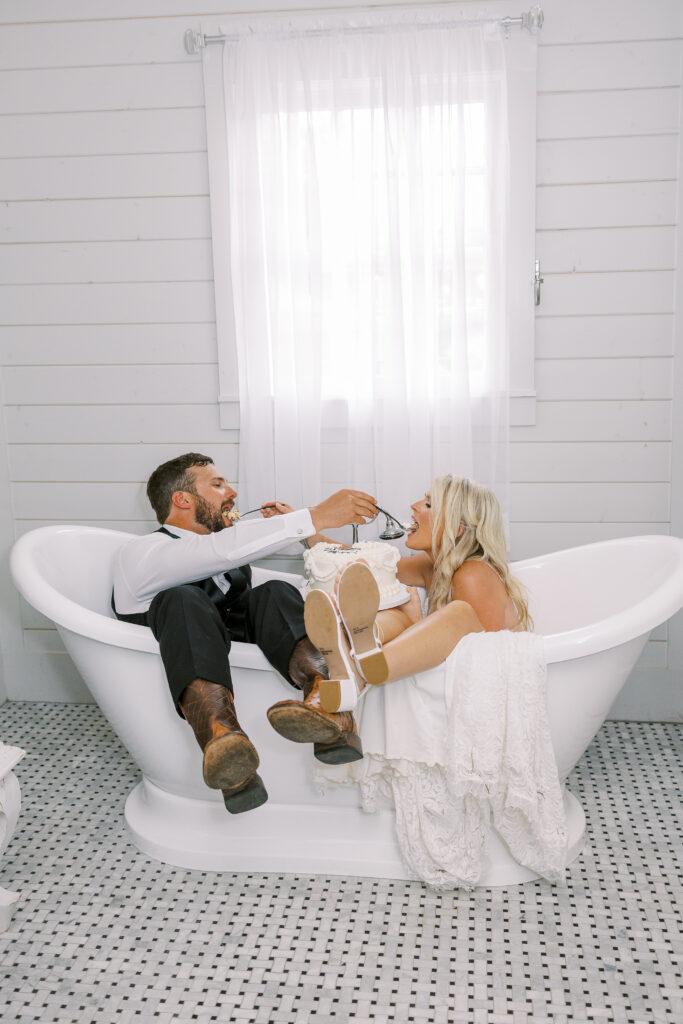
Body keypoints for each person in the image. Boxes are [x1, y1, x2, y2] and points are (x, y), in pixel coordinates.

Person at [112, 452, 377, 814]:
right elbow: (211, 553)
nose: (231, 492)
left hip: (231, 640)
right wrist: (312, 514)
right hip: (186, 647)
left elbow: (232, 555)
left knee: (274, 593)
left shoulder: (229, 559)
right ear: (182, 499)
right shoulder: (142, 552)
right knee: (182, 598)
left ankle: (329, 707)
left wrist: (309, 533)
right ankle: (224, 743)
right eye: (218, 485)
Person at [302, 474, 531, 712]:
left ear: (457, 527)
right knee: (399, 611)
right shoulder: (430, 566)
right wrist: (307, 530)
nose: (414, 506)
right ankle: (356, 657)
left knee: (456, 612)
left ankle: (360, 669)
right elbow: (367, 566)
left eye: (429, 504)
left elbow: (481, 662)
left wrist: (415, 622)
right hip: (431, 674)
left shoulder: (474, 574)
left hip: (490, 690)